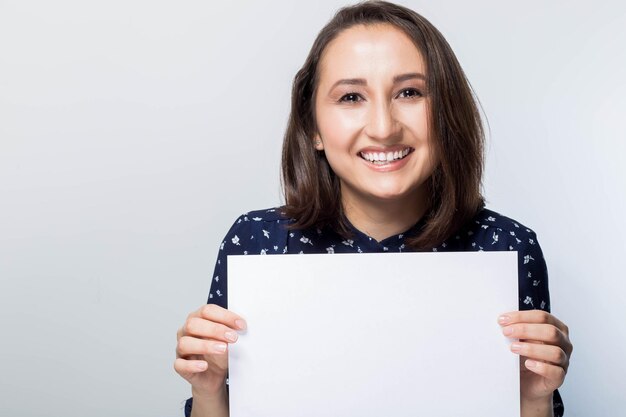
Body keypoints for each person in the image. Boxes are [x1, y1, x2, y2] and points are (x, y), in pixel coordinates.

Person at [174, 1, 573, 416]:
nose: (383, 127)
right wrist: (208, 390)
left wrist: (533, 397)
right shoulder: (257, 242)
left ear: (448, 113)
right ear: (314, 128)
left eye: (410, 92)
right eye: (351, 96)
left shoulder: (507, 247)